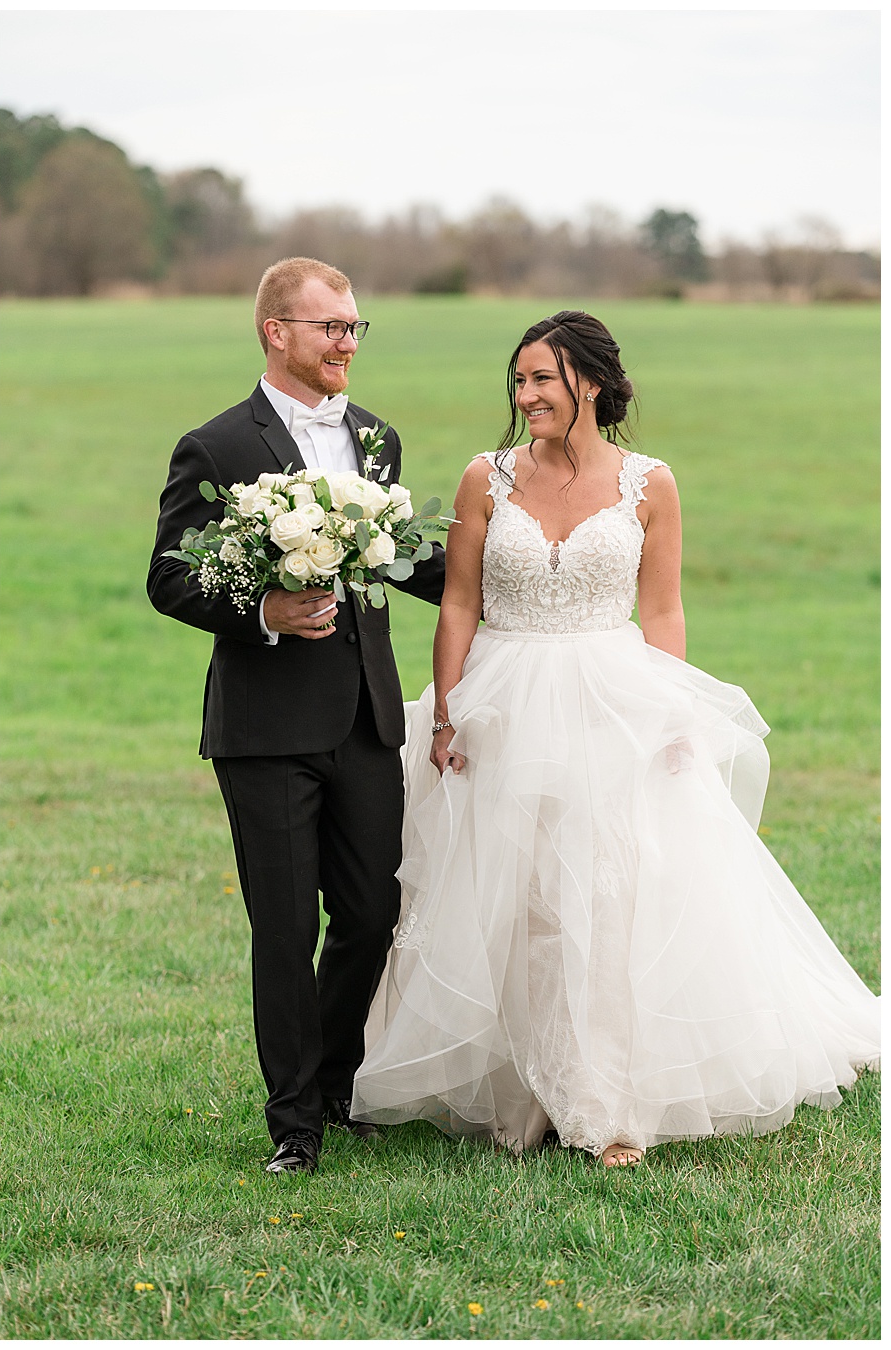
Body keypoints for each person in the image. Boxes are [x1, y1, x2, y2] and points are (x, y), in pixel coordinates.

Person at [351, 310, 879, 1166]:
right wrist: (446, 714)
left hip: (612, 699)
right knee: (513, 900)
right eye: (518, 382)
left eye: (543, 381)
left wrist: (673, 713)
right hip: (503, 699)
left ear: (588, 384)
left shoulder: (650, 483)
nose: (527, 398)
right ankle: (522, 1091)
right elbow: (457, 603)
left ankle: (599, 1099)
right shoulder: (485, 478)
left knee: (603, 895)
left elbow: (662, 608)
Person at [146, 258, 446, 1176]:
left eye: (356, 326)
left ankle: (338, 1078)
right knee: (283, 927)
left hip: (366, 718)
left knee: (371, 911)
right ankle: (296, 1126)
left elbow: (404, 559)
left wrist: (512, 559)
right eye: (331, 328)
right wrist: (264, 613)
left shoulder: (378, 439)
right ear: (276, 332)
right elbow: (168, 576)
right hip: (267, 728)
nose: (347, 342)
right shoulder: (217, 446)